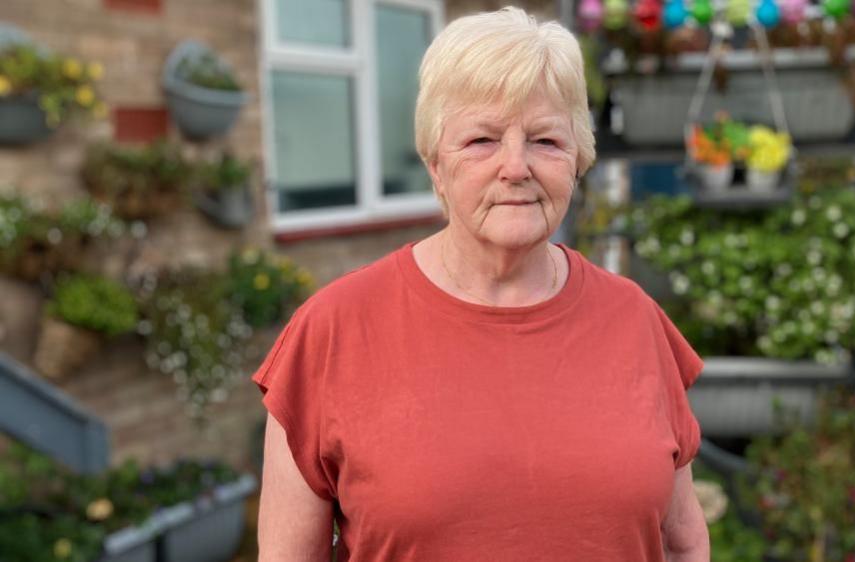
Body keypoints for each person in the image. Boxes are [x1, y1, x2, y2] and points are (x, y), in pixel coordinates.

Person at [254, 7, 709, 561]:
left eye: (545, 140)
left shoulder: (634, 318)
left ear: (578, 159)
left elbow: (684, 542)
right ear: (434, 163)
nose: (516, 167)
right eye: (481, 141)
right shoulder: (333, 330)